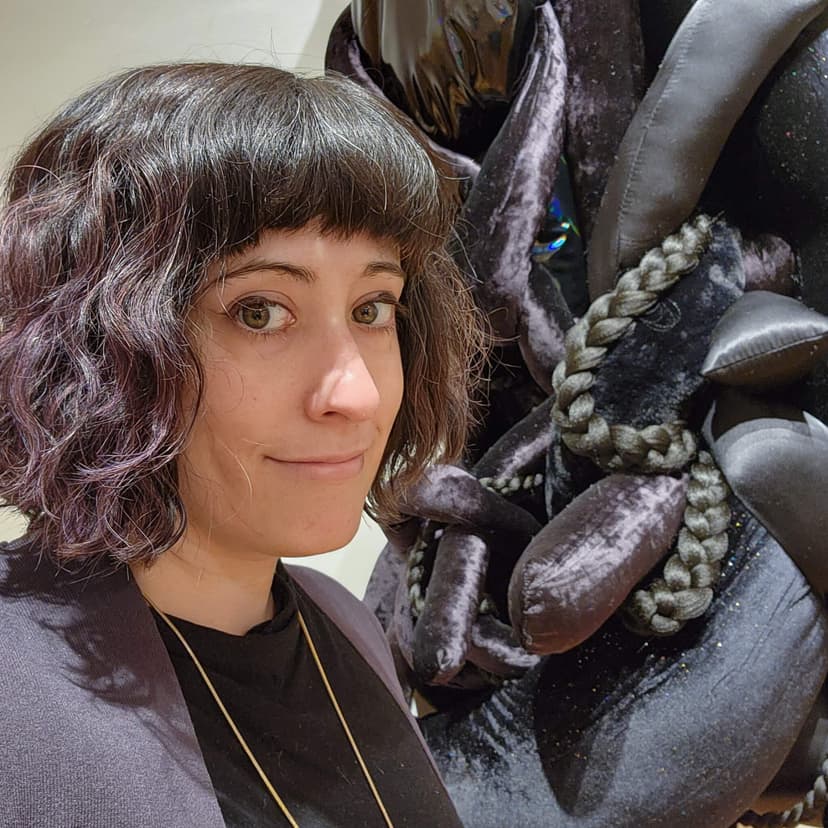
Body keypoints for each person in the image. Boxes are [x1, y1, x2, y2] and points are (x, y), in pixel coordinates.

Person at [0, 62, 485, 827]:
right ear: (99, 348)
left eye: (372, 308)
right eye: (260, 311)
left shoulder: (344, 621)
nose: (356, 394)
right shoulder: (16, 688)